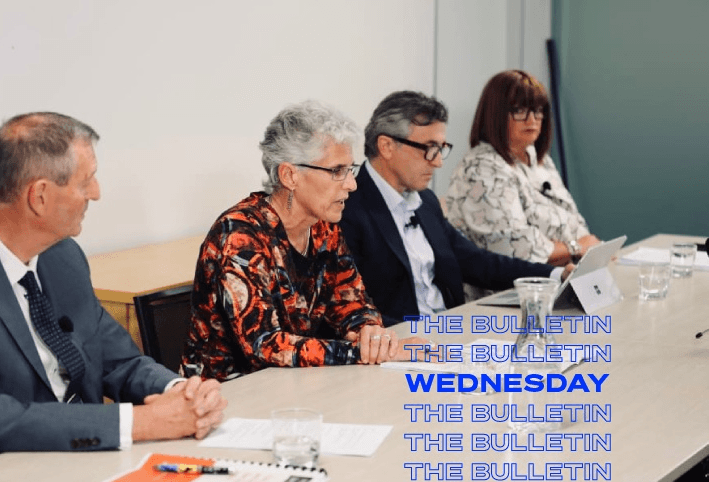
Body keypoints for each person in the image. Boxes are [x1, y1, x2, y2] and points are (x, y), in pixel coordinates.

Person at [0, 112, 226, 482]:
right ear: (40, 196)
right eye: (86, 181)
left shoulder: (62, 257)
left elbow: (118, 360)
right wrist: (140, 422)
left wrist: (181, 393)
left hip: (78, 465)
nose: (96, 192)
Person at [182, 101, 414, 382]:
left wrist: (369, 333)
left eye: (350, 169)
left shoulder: (323, 228)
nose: (352, 184)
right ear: (290, 175)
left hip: (293, 385)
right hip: (226, 395)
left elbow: (352, 303)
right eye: (336, 171)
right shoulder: (239, 237)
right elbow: (263, 346)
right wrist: (357, 352)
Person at [339, 91, 562, 326]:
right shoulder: (347, 209)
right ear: (386, 146)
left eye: (441, 148)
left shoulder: (425, 201)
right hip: (404, 343)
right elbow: (345, 310)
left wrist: (554, 276)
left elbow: (477, 261)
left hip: (449, 331)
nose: (438, 161)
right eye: (429, 148)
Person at [445, 70, 600, 266]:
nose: (532, 119)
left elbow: (574, 221)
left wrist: (589, 248)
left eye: (538, 110)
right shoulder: (481, 168)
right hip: (508, 290)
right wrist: (577, 248)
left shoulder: (540, 159)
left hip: (559, 275)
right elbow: (517, 248)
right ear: (495, 114)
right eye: (519, 110)